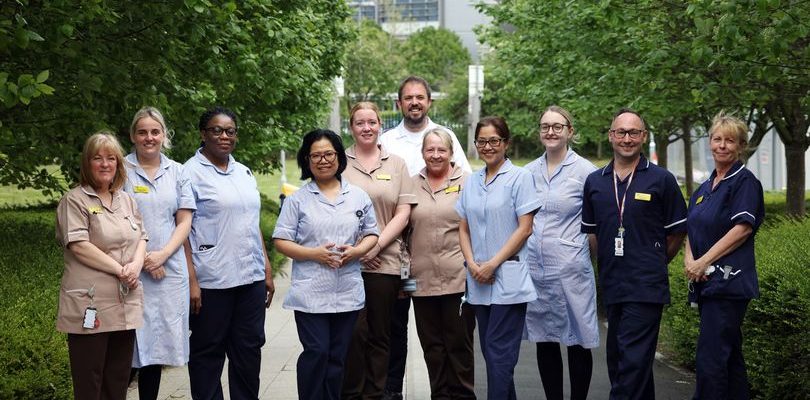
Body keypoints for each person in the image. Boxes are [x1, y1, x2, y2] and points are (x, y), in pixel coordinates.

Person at [581, 108, 687, 400]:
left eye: (634, 133)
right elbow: (592, 234)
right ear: (611, 136)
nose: (627, 139)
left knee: (632, 362)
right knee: (620, 360)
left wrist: (652, 260)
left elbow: (677, 232)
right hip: (612, 283)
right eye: (621, 132)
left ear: (643, 137)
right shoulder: (595, 182)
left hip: (646, 285)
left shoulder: (661, 180)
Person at [378, 75, 472, 399]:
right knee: (398, 334)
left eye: (420, 97)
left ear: (429, 102)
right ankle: (392, 392)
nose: (415, 102)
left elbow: (468, 200)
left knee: (455, 342)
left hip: (451, 268)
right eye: (408, 97)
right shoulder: (386, 141)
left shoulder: (449, 137)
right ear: (399, 103)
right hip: (400, 261)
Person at [273, 129, 380, 400]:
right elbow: (281, 241)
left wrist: (357, 251)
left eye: (329, 154)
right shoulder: (298, 199)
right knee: (317, 351)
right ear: (306, 160)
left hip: (346, 289)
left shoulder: (357, 196)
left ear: (339, 157)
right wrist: (314, 254)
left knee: (337, 357)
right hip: (311, 291)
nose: (323, 160)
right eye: (316, 155)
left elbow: (372, 233)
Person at [184, 106, 275, 400]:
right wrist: (192, 280)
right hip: (212, 281)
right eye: (216, 130)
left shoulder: (243, 171)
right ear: (202, 134)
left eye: (230, 131)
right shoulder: (189, 173)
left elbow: (251, 223)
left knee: (248, 352)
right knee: (208, 355)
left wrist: (266, 269)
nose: (224, 136)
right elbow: (181, 229)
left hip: (249, 280)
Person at [55, 132, 147, 399]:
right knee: (89, 383)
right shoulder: (74, 200)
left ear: (118, 163)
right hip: (90, 306)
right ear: (87, 163)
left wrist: (136, 264)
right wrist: (121, 269)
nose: (105, 164)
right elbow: (80, 246)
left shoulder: (126, 200)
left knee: (118, 380)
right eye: (98, 158)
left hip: (124, 304)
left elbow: (142, 236)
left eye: (111, 158)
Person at [456, 116, 540, 399]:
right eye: (482, 141)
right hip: (478, 279)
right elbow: (463, 227)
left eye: (494, 140)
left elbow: (525, 228)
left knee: (499, 353)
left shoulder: (520, 178)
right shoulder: (472, 181)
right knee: (492, 354)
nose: (488, 146)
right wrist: (472, 263)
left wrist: (493, 263)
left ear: (506, 143)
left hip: (508, 279)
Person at [684, 113, 764, 399]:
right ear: (709, 143)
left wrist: (704, 261)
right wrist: (690, 261)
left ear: (741, 145)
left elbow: (742, 229)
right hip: (707, 285)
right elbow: (690, 227)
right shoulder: (704, 189)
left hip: (728, 286)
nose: (722, 145)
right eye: (717, 139)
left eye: (729, 140)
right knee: (729, 358)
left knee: (711, 358)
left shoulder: (744, 183)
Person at [341, 102, 418, 400]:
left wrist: (375, 246)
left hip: (385, 263)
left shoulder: (397, 164)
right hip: (348, 262)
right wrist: (359, 250)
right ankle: (352, 392)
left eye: (372, 122)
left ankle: (376, 393)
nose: (366, 128)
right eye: (360, 123)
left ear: (380, 125)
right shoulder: (340, 162)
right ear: (351, 127)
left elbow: (403, 214)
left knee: (380, 334)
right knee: (354, 333)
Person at [524, 106, 599, 400]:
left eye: (557, 126)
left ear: (570, 131)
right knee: (545, 339)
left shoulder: (586, 172)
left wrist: (583, 259)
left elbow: (595, 225)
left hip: (572, 271)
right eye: (545, 126)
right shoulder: (528, 172)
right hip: (537, 271)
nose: (551, 131)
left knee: (577, 339)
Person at [123, 107, 195, 400]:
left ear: (164, 135)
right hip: (129, 269)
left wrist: (161, 255)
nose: (149, 137)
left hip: (168, 272)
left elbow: (185, 219)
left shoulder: (178, 171)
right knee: (128, 347)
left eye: (155, 131)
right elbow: (115, 218)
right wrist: (144, 260)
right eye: (142, 132)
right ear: (133, 136)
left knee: (154, 352)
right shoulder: (121, 170)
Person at [409, 128, 475, 399]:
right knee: (432, 350)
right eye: (430, 150)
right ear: (423, 152)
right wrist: (406, 282)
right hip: (421, 282)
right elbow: (403, 236)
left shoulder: (469, 182)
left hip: (459, 279)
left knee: (459, 347)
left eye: (441, 150)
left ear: (451, 153)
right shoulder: (411, 184)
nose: (435, 155)